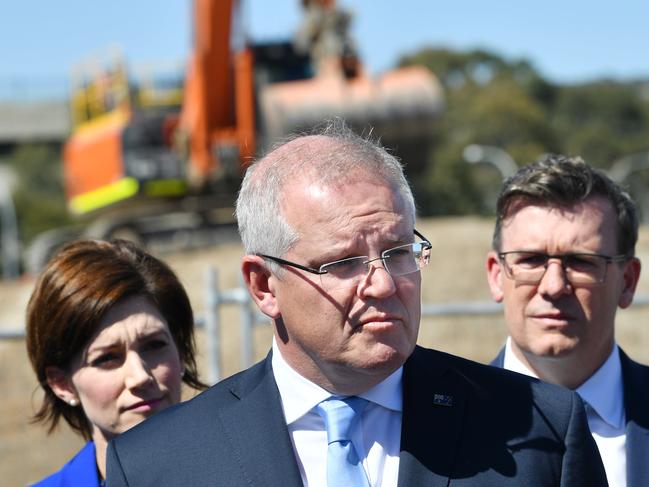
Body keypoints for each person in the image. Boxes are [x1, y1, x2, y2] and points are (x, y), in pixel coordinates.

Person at [107, 123, 607, 486]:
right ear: (263, 286)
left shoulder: (542, 427)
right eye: (342, 264)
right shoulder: (159, 464)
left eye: (399, 252)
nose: (385, 285)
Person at [486, 154, 649, 487]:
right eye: (531, 260)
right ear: (496, 276)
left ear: (628, 281)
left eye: (581, 262)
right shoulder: (430, 428)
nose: (554, 286)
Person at [26, 239, 206, 486]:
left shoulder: (250, 470)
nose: (140, 375)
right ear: (61, 383)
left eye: (155, 345)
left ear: (181, 351)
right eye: (107, 358)